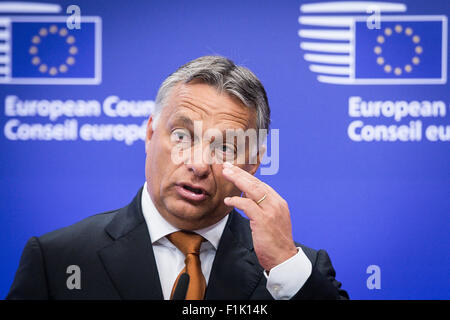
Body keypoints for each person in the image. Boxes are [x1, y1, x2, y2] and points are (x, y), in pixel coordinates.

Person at [7, 56, 348, 300]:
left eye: (225, 147)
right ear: (150, 134)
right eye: (183, 136)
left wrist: (285, 267)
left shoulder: (296, 269)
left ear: (254, 163)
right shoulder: (58, 259)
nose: (199, 165)